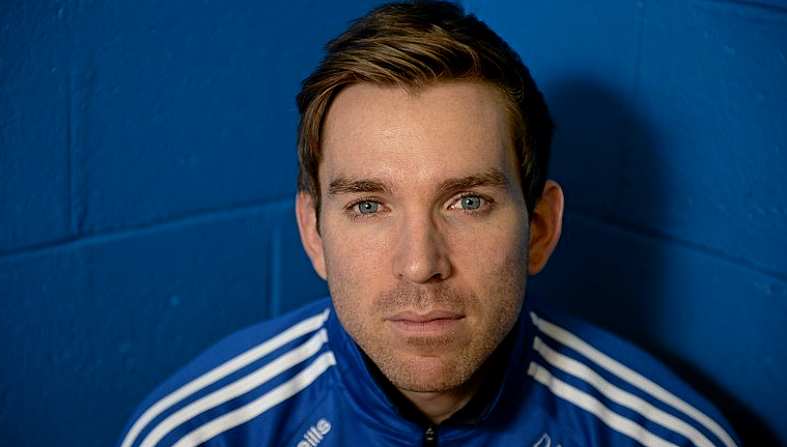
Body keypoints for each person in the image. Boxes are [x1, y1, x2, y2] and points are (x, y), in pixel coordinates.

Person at [119, 1, 740, 446]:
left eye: (467, 201)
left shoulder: (667, 436)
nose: (420, 263)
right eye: (368, 205)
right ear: (314, 234)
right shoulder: (197, 433)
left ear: (542, 228)